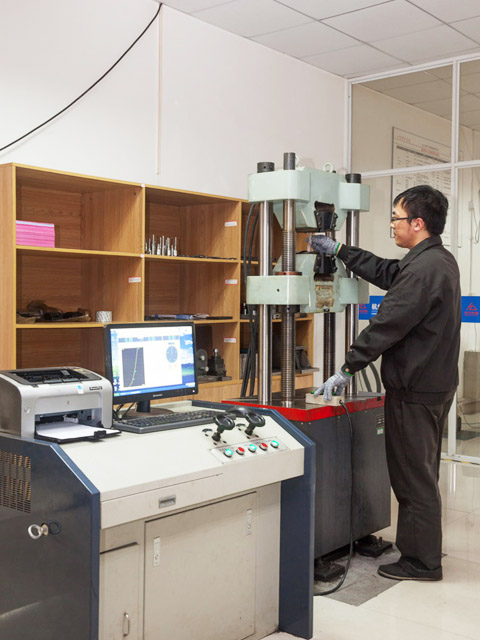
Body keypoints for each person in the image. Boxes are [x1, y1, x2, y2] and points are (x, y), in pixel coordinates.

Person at [312, 184, 461, 582]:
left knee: (413, 479)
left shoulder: (424, 270)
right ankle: (418, 550)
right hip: (434, 385)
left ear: (418, 222)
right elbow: (388, 273)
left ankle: (422, 563)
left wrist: (347, 368)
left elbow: (386, 324)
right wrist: (341, 251)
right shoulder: (435, 260)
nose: (392, 225)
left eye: (396, 218)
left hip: (414, 390)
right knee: (421, 474)